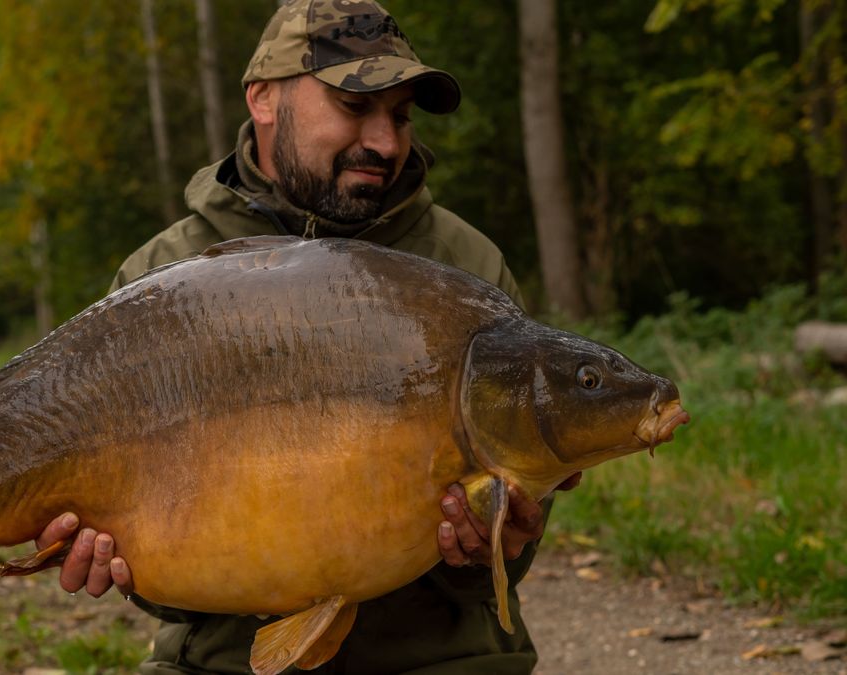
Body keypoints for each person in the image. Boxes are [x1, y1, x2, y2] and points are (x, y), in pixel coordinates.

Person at [32, 1, 579, 671]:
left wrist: (499, 543)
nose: (384, 141)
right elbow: (168, 591)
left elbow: (503, 566)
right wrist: (120, 563)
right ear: (264, 99)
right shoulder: (157, 279)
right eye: (356, 107)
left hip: (441, 659)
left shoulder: (468, 271)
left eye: (401, 116)